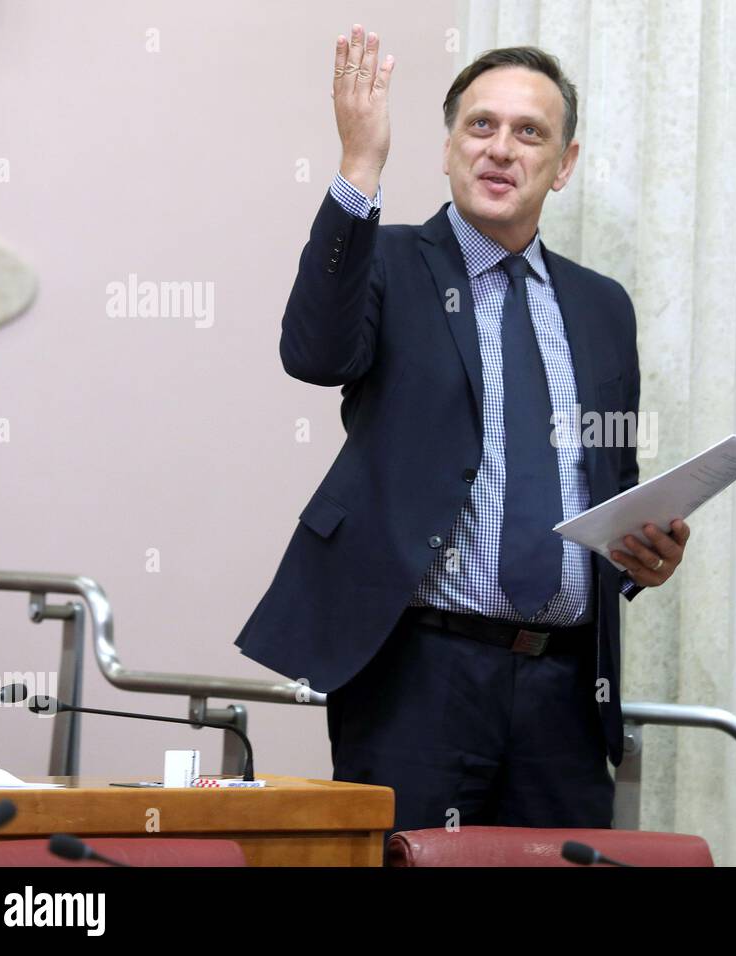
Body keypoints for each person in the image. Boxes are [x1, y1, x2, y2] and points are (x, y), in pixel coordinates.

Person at [234, 27, 691, 833]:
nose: (501, 149)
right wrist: (359, 166)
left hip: (564, 690)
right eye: (480, 126)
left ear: (565, 164)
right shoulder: (393, 263)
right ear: (447, 146)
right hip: (418, 677)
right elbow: (311, 354)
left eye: (529, 132)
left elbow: (610, 484)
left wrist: (642, 553)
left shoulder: (601, 306)